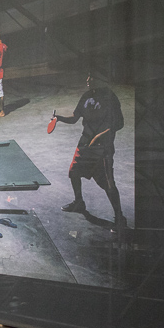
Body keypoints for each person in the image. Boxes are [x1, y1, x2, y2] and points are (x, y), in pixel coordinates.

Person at [53, 74, 126, 230]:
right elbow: (74, 118)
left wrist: (100, 136)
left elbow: (119, 123)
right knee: (74, 172)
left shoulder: (109, 97)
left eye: (91, 77)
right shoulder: (86, 96)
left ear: (100, 79)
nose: (87, 80)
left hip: (102, 148)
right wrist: (59, 118)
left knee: (107, 183)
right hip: (85, 143)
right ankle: (79, 202)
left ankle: (120, 217)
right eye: (87, 77)